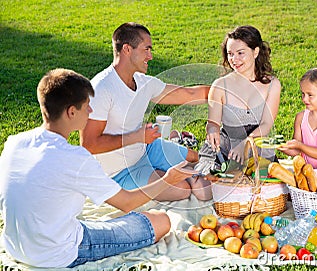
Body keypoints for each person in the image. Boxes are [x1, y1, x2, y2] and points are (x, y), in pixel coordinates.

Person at [0, 69, 196, 268]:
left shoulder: (14, 143)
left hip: (15, 246)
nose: (91, 112)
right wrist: (168, 180)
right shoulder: (75, 158)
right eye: (87, 106)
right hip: (59, 253)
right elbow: (127, 203)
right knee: (161, 221)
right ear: (71, 112)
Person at [80, 22, 212, 201]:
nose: (150, 56)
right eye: (146, 49)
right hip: (118, 172)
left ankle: (174, 150)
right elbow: (89, 145)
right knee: (182, 190)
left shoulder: (143, 82)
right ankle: (167, 165)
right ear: (127, 49)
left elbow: (188, 94)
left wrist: (225, 91)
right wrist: (136, 137)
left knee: (200, 165)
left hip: (148, 149)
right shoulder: (102, 89)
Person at [196, 25, 281, 174]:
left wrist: (246, 144)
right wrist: (212, 130)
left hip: (256, 146)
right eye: (230, 54)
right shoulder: (220, 85)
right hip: (225, 149)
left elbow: (267, 123)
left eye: (240, 53)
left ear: (255, 52)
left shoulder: (272, 84)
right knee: (205, 188)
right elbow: (213, 123)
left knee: (264, 189)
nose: (234, 60)